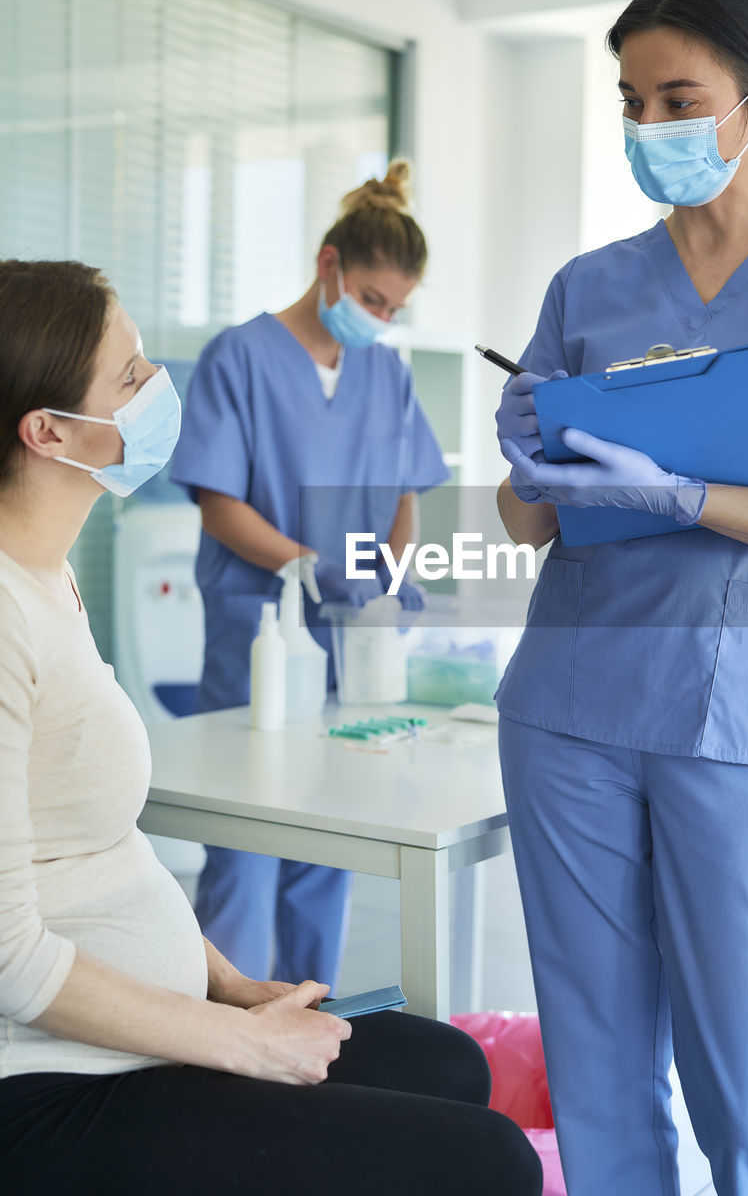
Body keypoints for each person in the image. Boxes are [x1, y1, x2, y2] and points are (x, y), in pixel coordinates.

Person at [0, 257, 542, 1196]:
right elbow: (10, 959)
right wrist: (242, 1043)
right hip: (50, 1081)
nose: (159, 391)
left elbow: (104, 858)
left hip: (157, 1018)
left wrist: (231, 985)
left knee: (451, 1065)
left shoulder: (53, 576)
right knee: (486, 1162)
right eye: (130, 378)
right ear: (49, 431)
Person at [494, 0, 748, 1196]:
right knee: (594, 1078)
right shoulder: (585, 288)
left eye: (677, 99)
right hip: (567, 705)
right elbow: (527, 523)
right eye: (632, 103)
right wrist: (527, 461)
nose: (651, 127)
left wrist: (689, 497)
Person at [169, 160, 449, 990]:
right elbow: (219, 503)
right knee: (247, 847)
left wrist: (387, 576)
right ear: (329, 264)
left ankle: (312, 1029)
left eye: (394, 309)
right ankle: (214, 1037)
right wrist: (310, 567)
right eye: (371, 300)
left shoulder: (385, 373)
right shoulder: (240, 357)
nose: (380, 321)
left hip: (350, 646)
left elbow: (406, 494)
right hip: (259, 628)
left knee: (330, 845)